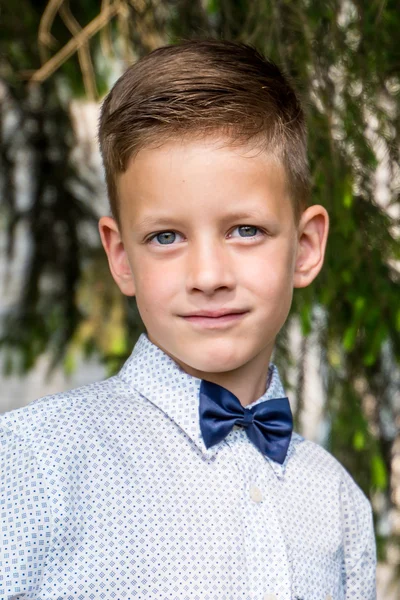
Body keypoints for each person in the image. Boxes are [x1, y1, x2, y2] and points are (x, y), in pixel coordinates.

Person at [0, 40, 376, 600]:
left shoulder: (337, 501)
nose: (208, 274)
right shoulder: (30, 466)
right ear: (122, 256)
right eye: (166, 237)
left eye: (245, 230)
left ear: (305, 247)